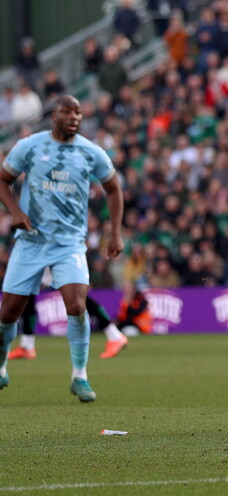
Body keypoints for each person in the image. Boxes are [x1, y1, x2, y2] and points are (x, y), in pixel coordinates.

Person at [0, 95, 124, 402]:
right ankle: (1, 365)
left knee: (77, 305)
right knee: (9, 312)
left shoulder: (90, 152)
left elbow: (114, 189)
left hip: (69, 244)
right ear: (53, 115)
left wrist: (115, 233)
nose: (74, 117)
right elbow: (3, 180)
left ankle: (79, 376)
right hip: (31, 241)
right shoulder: (30, 146)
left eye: (78, 112)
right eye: (67, 111)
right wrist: (14, 212)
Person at [6, 294, 129, 360]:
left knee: (74, 293)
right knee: (26, 290)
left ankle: (114, 335)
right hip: (39, 250)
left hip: (53, 250)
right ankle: (27, 345)